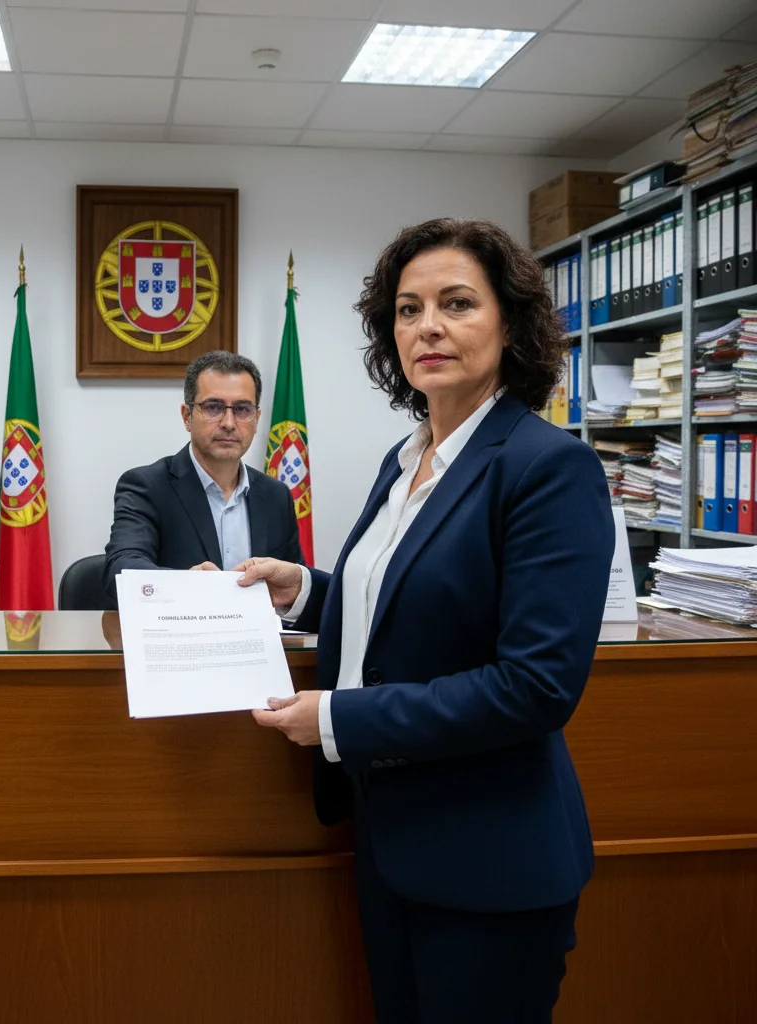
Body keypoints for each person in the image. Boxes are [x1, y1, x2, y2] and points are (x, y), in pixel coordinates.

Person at [234, 219, 615, 1024]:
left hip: (491, 858)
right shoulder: (408, 459)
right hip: (392, 840)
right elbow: (411, 605)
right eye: (408, 310)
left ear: (510, 325)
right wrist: (304, 591)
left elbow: (535, 687)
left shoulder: (549, 466)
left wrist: (336, 718)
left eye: (457, 303)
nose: (427, 327)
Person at [103, 351, 303, 603]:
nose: (229, 423)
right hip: (178, 626)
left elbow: (293, 583)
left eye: (242, 409)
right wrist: (188, 584)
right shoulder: (146, 486)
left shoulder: (276, 496)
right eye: (213, 407)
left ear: (256, 419)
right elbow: (121, 569)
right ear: (187, 417)